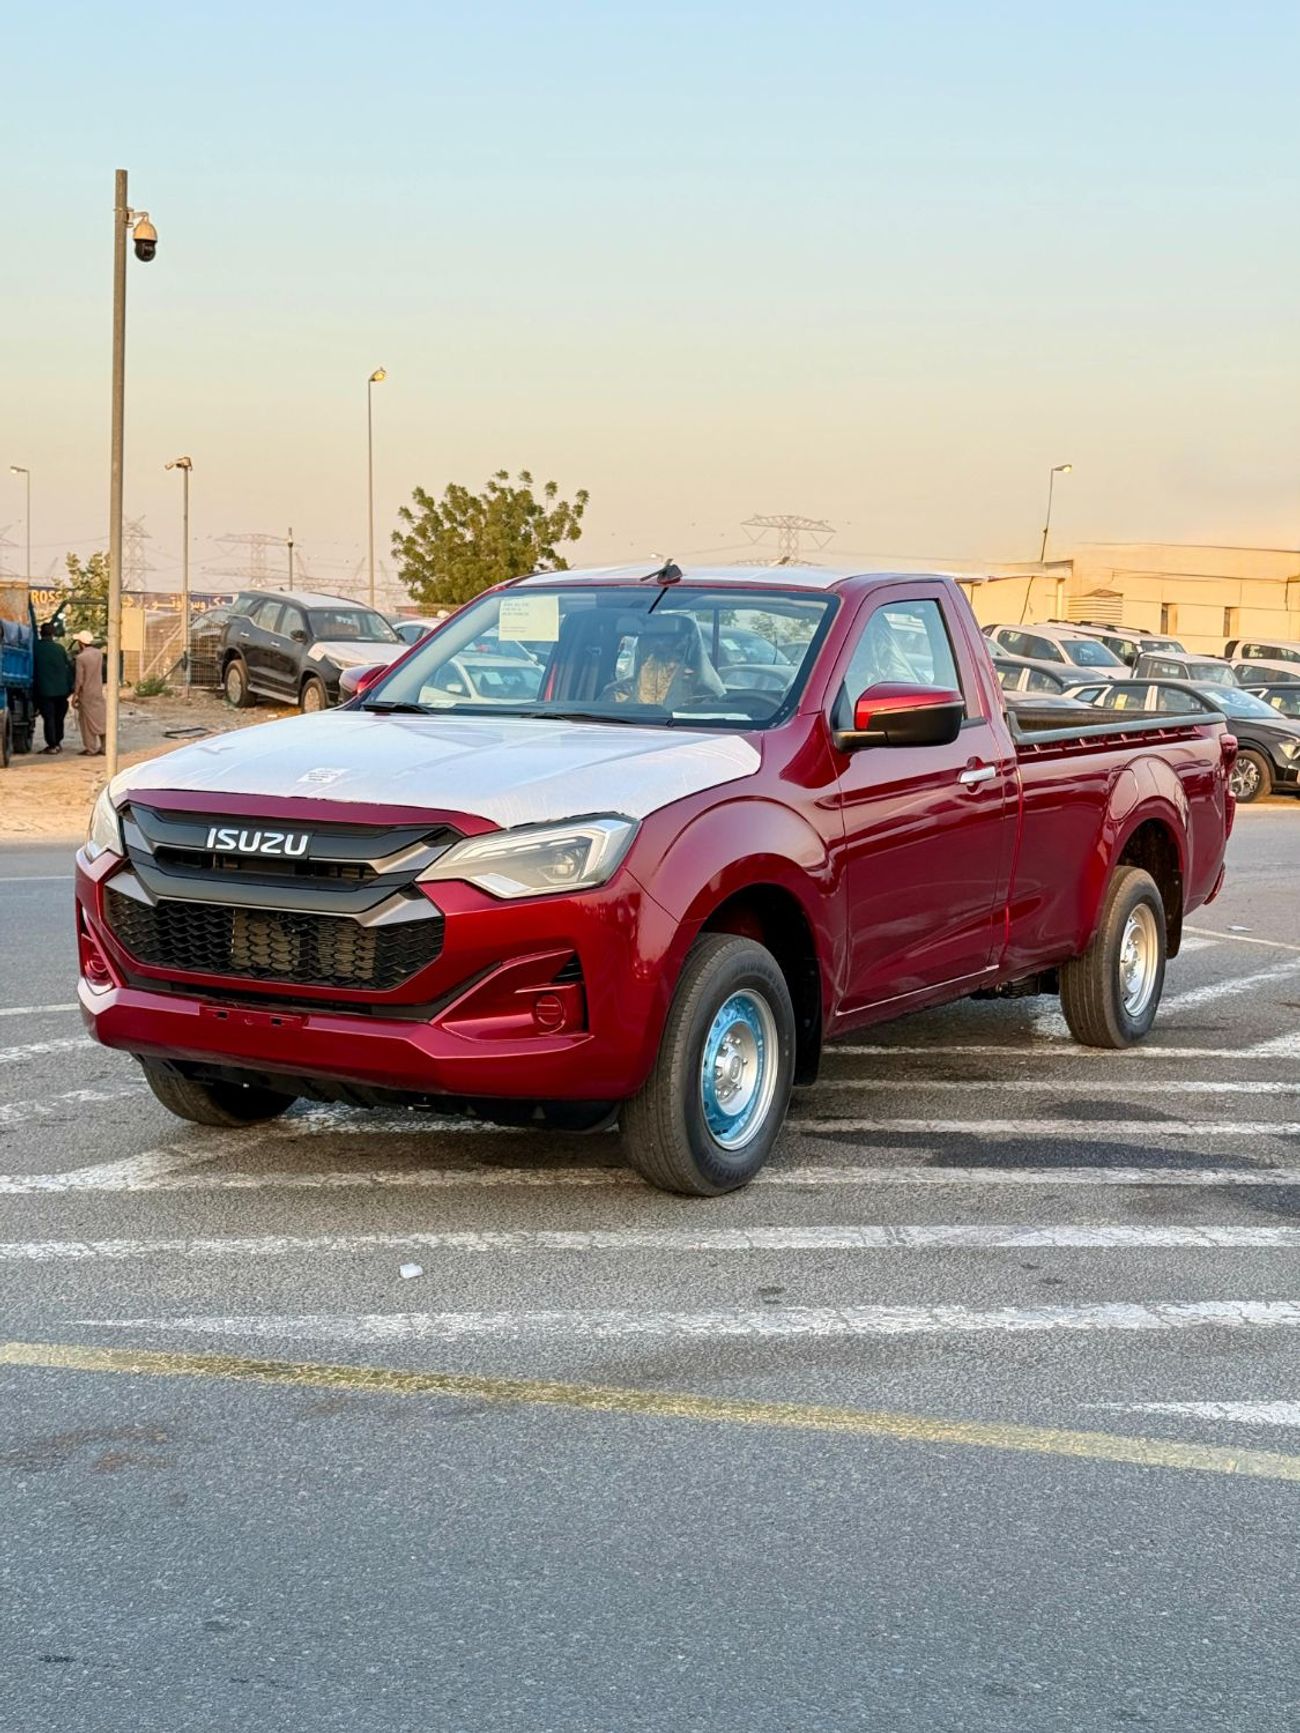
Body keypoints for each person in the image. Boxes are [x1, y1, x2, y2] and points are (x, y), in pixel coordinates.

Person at [33, 622, 74, 754]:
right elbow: (68, 667)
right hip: (62, 691)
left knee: (49, 718)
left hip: (45, 691)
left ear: (41, 633)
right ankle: (57, 743)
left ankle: (52, 745)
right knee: (58, 718)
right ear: (53, 634)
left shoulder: (35, 648)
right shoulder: (60, 648)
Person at [70, 630, 106, 756]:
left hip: (86, 692)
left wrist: (75, 695)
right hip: (98, 690)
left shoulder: (81, 658)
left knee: (86, 721)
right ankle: (105, 747)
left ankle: (91, 748)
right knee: (100, 718)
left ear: (80, 643)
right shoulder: (98, 654)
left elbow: (79, 679)